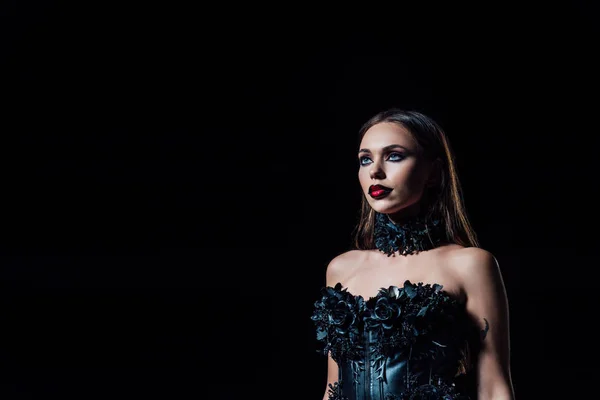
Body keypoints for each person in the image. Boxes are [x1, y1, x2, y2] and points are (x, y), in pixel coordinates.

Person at [311, 108, 515, 400]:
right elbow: (332, 390)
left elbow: (495, 388)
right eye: (365, 159)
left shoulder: (471, 264)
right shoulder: (341, 269)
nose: (375, 171)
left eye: (394, 155)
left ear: (433, 172)